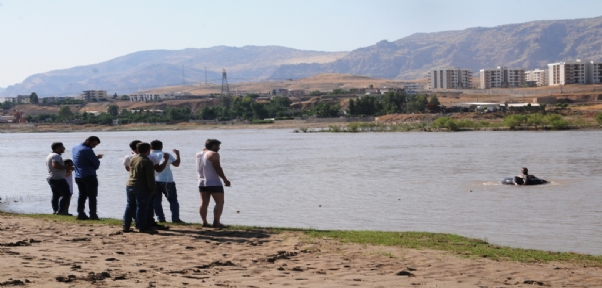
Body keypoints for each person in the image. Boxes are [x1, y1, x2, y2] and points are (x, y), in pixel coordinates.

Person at [196, 139, 231, 228]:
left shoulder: (198, 154)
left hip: (201, 182)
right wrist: (225, 179)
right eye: (218, 146)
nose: (219, 148)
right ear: (214, 146)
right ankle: (216, 222)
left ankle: (204, 222)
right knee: (220, 202)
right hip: (213, 181)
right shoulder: (214, 154)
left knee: (203, 203)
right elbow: (217, 168)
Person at [123, 142, 157, 234]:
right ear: (148, 150)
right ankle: (142, 226)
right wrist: (152, 190)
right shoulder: (147, 162)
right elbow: (150, 178)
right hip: (141, 186)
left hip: (130, 184)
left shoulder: (133, 158)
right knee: (141, 207)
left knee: (130, 205)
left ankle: (126, 225)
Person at [149, 140, 185, 223]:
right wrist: (178, 155)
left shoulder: (149, 155)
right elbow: (176, 164)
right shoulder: (165, 154)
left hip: (154, 181)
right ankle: (175, 219)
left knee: (157, 201)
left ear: (150, 147)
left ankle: (160, 218)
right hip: (167, 181)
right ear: (162, 146)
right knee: (173, 200)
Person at [72, 136, 103, 220]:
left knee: (82, 195)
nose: (94, 146)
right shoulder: (88, 150)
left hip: (78, 175)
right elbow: (96, 165)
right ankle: (93, 214)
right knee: (92, 196)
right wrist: (97, 159)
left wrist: (95, 157)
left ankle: (80, 213)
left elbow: (82, 159)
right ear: (87, 141)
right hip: (89, 175)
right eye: (93, 144)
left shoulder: (75, 147)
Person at [45, 142, 72, 215]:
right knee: (66, 194)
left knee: (56, 194)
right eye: (62, 147)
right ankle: (61, 211)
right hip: (57, 178)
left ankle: (55, 210)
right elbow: (55, 165)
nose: (64, 148)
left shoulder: (50, 155)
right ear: (57, 148)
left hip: (51, 177)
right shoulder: (56, 156)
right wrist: (67, 167)